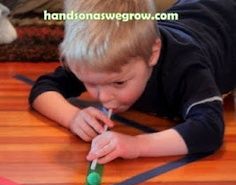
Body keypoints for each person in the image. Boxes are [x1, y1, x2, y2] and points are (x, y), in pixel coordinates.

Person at [29, 0, 236, 165]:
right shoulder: (98, 61)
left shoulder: (186, 66)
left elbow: (209, 130)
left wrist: (137, 145)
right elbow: (43, 88)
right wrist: (72, 117)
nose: (103, 97)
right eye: (91, 83)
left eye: (118, 83)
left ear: (152, 54)